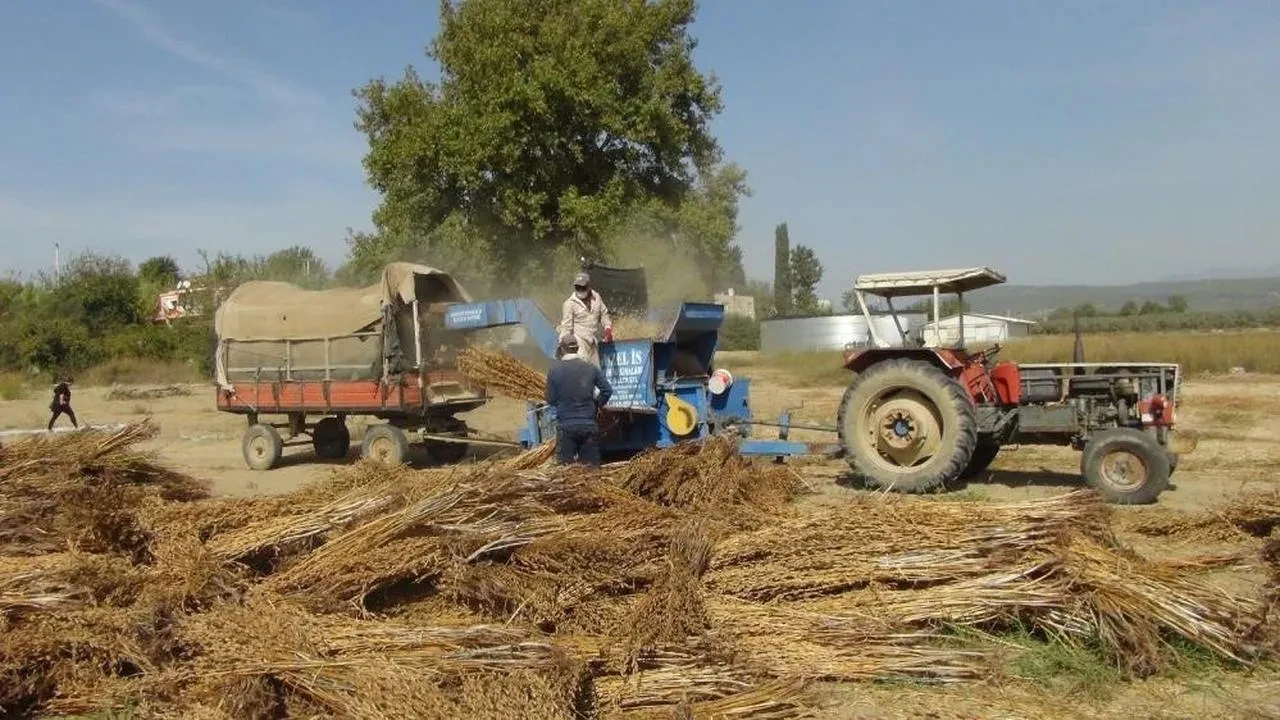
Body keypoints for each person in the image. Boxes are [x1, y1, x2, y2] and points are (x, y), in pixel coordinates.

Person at [544, 336, 612, 466]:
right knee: (591, 469)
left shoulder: (554, 371)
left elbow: (550, 399)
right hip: (588, 425)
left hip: (566, 427)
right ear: (577, 349)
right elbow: (607, 390)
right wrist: (596, 404)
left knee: (565, 471)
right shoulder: (590, 368)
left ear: (561, 349)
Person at [557, 271, 614, 368]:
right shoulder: (569, 304)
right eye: (577, 287)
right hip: (579, 343)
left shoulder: (596, 298)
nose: (580, 290)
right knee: (584, 370)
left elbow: (603, 314)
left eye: (582, 287)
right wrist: (563, 344)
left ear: (588, 286)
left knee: (596, 371)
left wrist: (607, 328)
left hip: (592, 342)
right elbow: (566, 327)